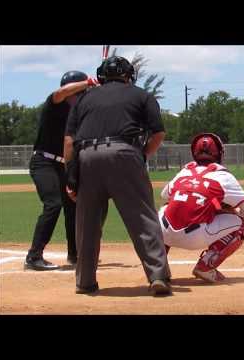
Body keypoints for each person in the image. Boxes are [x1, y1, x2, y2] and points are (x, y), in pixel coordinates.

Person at [64, 56, 171, 295]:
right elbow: (158, 133)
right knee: (143, 218)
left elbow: (69, 141)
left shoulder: (84, 99)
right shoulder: (141, 95)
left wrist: (71, 176)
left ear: (101, 75)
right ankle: (157, 277)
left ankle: (85, 282)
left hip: (87, 157)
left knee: (87, 223)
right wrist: (140, 155)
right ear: (128, 75)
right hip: (124, 152)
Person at [158, 133, 244, 283]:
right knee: (242, 224)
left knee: (166, 208)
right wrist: (225, 209)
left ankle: (158, 267)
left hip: (165, 235)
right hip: (195, 238)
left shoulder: (184, 171)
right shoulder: (223, 176)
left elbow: (165, 195)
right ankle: (206, 266)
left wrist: (214, 204)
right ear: (219, 153)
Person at [24, 71, 99, 271]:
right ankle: (34, 256)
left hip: (63, 165)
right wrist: (89, 82)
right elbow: (61, 92)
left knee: (73, 206)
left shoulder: (78, 114)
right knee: (53, 204)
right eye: (79, 91)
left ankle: (75, 255)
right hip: (43, 162)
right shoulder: (54, 104)